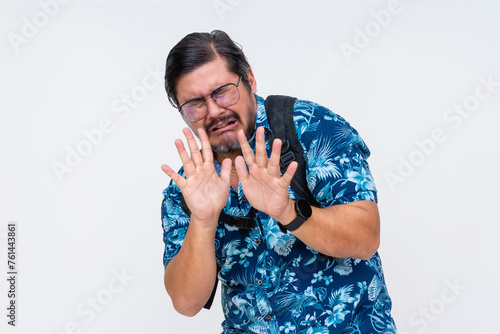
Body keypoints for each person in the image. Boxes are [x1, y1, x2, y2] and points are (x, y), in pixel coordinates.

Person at [160, 30, 396, 333]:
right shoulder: (187, 187)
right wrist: (203, 220)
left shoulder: (311, 129)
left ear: (249, 79)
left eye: (223, 91)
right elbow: (185, 302)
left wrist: (287, 211)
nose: (215, 111)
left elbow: (366, 238)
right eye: (195, 103)